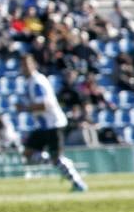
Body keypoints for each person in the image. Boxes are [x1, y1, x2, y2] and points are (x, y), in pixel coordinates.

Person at [16, 54, 88, 192]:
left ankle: (78, 184)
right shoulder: (31, 82)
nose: (24, 68)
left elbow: (43, 105)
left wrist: (24, 108)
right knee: (28, 153)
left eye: (27, 64)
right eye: (23, 65)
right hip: (43, 126)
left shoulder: (37, 82)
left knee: (54, 157)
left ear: (33, 65)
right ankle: (63, 164)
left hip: (52, 124)